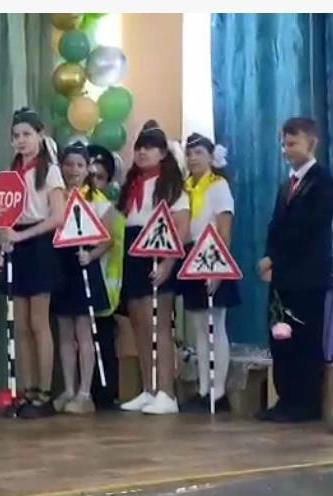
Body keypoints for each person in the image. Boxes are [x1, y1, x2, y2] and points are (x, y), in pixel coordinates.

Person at [258, 117, 333, 422]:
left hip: (307, 276)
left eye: (293, 143)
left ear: (311, 143)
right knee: (281, 338)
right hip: (283, 277)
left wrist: (275, 258)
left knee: (304, 339)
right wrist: (268, 256)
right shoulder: (286, 185)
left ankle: (305, 403)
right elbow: (275, 226)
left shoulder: (322, 181)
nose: (286, 150)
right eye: (284, 144)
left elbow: (307, 228)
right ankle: (286, 399)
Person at [118, 120, 190, 415]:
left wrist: (168, 264)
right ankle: (149, 388)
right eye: (139, 148)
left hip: (159, 253)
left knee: (159, 325)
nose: (143, 152)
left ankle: (167, 392)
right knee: (139, 323)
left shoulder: (172, 186)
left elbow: (181, 227)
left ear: (162, 153)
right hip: (133, 251)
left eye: (150, 148)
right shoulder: (132, 186)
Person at [0, 107, 65, 419]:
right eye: (16, 136)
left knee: (39, 322)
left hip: (38, 244)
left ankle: (44, 393)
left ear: (40, 135)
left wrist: (23, 235)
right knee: (21, 324)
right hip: (17, 244)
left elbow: (57, 217)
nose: (21, 140)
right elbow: (3, 210)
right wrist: (5, 234)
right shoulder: (11, 173)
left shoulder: (50, 172)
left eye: (26, 134)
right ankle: (27, 389)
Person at [180, 133, 240, 414]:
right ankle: (204, 388)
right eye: (189, 153)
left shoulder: (219, 186)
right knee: (198, 327)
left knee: (216, 324)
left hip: (212, 253)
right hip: (191, 255)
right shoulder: (185, 187)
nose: (193, 158)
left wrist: (218, 269)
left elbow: (224, 229)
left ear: (210, 156)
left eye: (199, 153)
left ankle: (219, 390)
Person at [52, 142, 113, 414]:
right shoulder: (57, 197)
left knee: (83, 331)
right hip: (62, 267)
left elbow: (107, 239)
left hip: (85, 267)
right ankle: (68, 388)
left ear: (87, 168)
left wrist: (91, 255)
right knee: (64, 332)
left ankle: (85, 392)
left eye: (79, 165)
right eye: (68, 164)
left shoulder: (98, 200)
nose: (73, 170)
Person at [87, 144, 125, 409]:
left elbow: (112, 245)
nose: (94, 182)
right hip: (80, 278)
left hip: (104, 283)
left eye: (100, 177)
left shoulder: (109, 210)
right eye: (91, 176)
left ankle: (105, 393)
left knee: (103, 339)